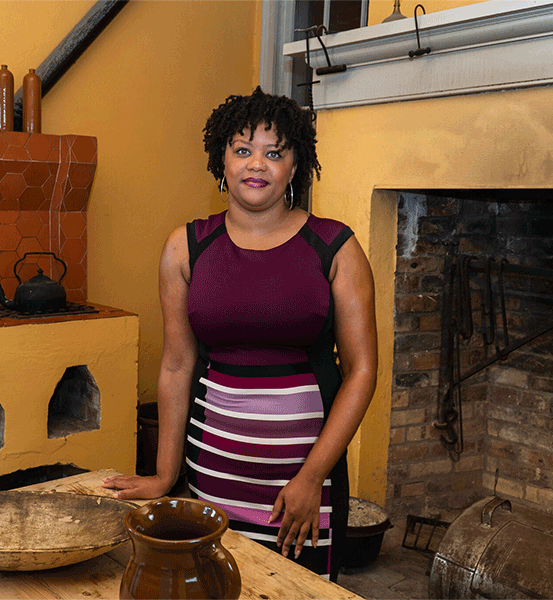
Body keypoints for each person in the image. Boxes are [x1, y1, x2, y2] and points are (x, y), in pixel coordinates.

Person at [103, 87, 377, 579]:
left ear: (295, 166)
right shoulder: (186, 247)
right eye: (243, 149)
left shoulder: (335, 246)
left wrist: (312, 478)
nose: (257, 164)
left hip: (302, 491)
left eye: (275, 153)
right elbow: (176, 364)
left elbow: (361, 372)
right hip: (212, 480)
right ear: (221, 161)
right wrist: (166, 475)